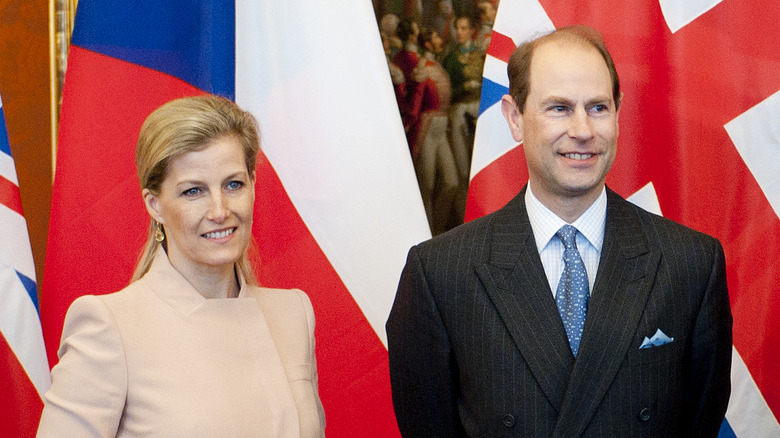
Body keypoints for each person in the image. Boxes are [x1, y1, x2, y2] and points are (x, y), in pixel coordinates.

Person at [387, 25, 732, 437]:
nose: (583, 130)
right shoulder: (439, 275)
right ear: (515, 118)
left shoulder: (692, 264)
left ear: (618, 113)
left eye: (599, 107)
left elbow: (699, 421)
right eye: (559, 108)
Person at [37, 95, 326, 437]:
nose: (220, 210)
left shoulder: (293, 313)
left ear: (253, 185)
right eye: (193, 192)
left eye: (233, 184)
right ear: (155, 205)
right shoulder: (109, 326)